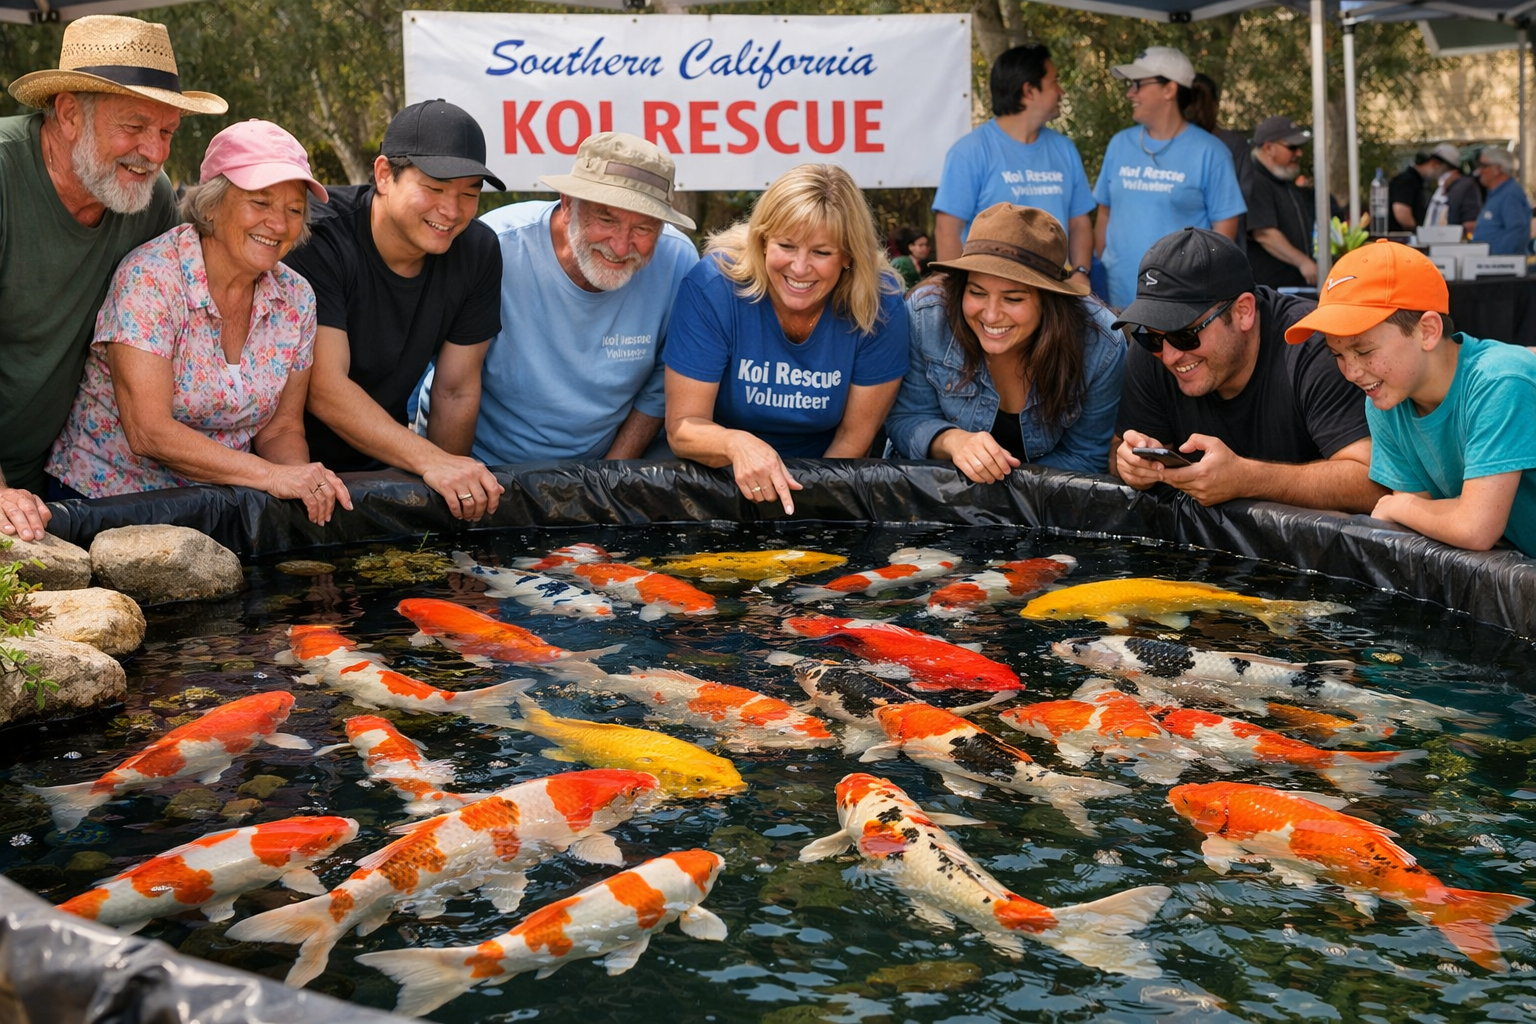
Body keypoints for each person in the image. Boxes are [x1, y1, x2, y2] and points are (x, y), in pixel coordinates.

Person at [45, 121, 350, 526]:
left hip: (218, 505)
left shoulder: (296, 298)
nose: (279, 224)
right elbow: (148, 432)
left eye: (294, 210)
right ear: (211, 205)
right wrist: (272, 476)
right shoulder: (151, 277)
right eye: (260, 203)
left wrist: (300, 483)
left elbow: (281, 430)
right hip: (104, 504)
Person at [0, 14, 226, 541]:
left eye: (167, 131)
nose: (155, 152)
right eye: (134, 126)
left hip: (39, 482)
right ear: (68, 113)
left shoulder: (149, 199)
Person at [414, 132, 698, 463]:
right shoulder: (495, 247)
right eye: (606, 218)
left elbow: (660, 384)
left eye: (644, 229)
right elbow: (452, 387)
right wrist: (458, 484)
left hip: (604, 464)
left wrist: (610, 478)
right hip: (483, 460)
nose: (621, 246)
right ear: (567, 204)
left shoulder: (678, 262)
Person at [284, 99, 505, 522]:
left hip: (385, 465)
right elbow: (325, 386)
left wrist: (449, 494)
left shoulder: (478, 249)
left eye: (469, 193)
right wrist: (431, 461)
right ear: (384, 174)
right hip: (286, 469)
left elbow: (455, 391)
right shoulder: (319, 236)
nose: (452, 211)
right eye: (435, 189)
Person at [664, 164, 909, 514]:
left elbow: (853, 439)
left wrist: (805, 513)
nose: (799, 267)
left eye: (822, 253)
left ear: (849, 256)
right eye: (786, 245)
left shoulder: (880, 306)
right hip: (719, 483)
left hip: (825, 478)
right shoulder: (714, 286)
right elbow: (682, 427)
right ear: (762, 241)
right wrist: (736, 443)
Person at [1112, 227, 1383, 514]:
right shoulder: (1151, 352)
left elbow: (1373, 484)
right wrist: (1132, 466)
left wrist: (1247, 479)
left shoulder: (1312, 346)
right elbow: (1119, 450)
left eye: (1185, 335)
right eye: (1152, 336)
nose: (1169, 355)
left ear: (1243, 311)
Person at [1289, 240, 1536, 554]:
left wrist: (1399, 506)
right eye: (1337, 354)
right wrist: (1411, 509)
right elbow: (1425, 523)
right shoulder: (1384, 402)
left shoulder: (1498, 381)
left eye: (1364, 351)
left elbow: (1474, 527)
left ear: (1429, 331)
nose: (1351, 372)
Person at [885, 203, 1124, 481]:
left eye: (1013, 298)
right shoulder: (926, 315)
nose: (991, 314)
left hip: (1046, 508)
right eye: (977, 292)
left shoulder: (1101, 344)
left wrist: (1004, 483)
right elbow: (906, 420)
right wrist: (953, 441)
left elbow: (1086, 456)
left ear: (1050, 302)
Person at [1092, 46, 1245, 310]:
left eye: (1138, 84)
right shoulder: (1119, 144)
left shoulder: (1211, 152)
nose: (1130, 93)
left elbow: (1224, 237)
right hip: (1115, 302)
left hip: (1180, 306)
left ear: (1169, 89)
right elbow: (1104, 214)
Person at [932, 43, 1094, 286]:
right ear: (1029, 90)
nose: (1061, 91)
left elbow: (1079, 222)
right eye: (1054, 82)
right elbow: (947, 230)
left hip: (1056, 293)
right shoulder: (970, 151)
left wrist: (1081, 271)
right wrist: (958, 290)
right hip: (993, 295)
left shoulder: (1065, 149)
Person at [1243, 116, 1317, 288]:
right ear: (1269, 148)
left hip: (1291, 287)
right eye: (1292, 147)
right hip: (1270, 292)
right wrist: (1303, 262)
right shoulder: (1254, 179)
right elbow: (1265, 234)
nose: (1299, 153)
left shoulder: (1283, 177)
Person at [1471, 147, 1532, 256]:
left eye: (1483, 166)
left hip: (1500, 267)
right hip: (1489, 265)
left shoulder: (1510, 194)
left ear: (1498, 169)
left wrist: (1497, 260)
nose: (1479, 171)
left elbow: (1517, 231)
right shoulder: (1498, 193)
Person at [1387, 145, 1457, 233]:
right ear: (1434, 164)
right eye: (1443, 171)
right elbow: (1401, 212)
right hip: (1397, 239)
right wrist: (1419, 234)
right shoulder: (1408, 181)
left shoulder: (1413, 181)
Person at [889, 225, 931, 290]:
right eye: (921, 245)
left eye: (926, 245)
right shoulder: (901, 262)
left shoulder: (926, 264)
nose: (925, 248)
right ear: (911, 247)